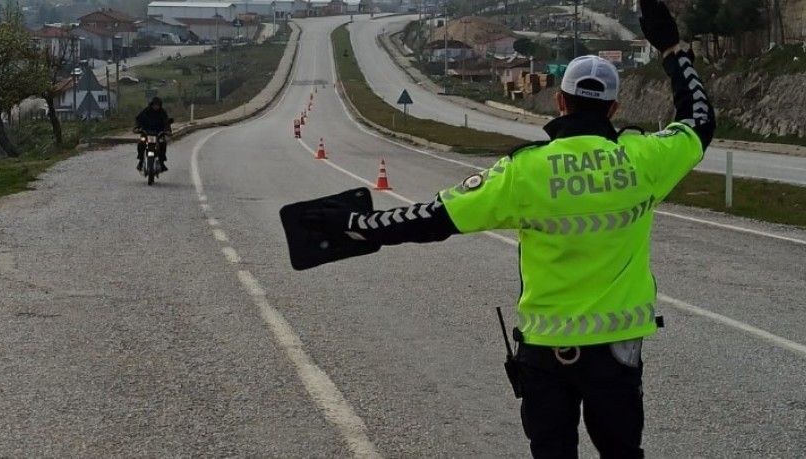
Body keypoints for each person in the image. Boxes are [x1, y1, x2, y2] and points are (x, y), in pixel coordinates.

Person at [283, 1, 714, 457]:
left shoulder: (523, 172)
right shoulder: (643, 160)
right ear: (614, 109)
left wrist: (357, 225)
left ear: (560, 101)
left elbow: (433, 218)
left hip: (548, 356)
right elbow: (699, 121)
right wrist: (672, 51)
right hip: (618, 353)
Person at [134, 97, 172, 172]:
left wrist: (168, 130)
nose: (156, 107)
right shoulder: (146, 111)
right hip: (146, 133)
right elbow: (139, 119)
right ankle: (141, 161)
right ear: (151, 105)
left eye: (158, 105)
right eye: (154, 105)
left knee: (163, 144)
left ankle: (161, 162)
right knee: (141, 144)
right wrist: (137, 127)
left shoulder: (162, 112)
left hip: (158, 134)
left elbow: (166, 122)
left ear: (160, 105)